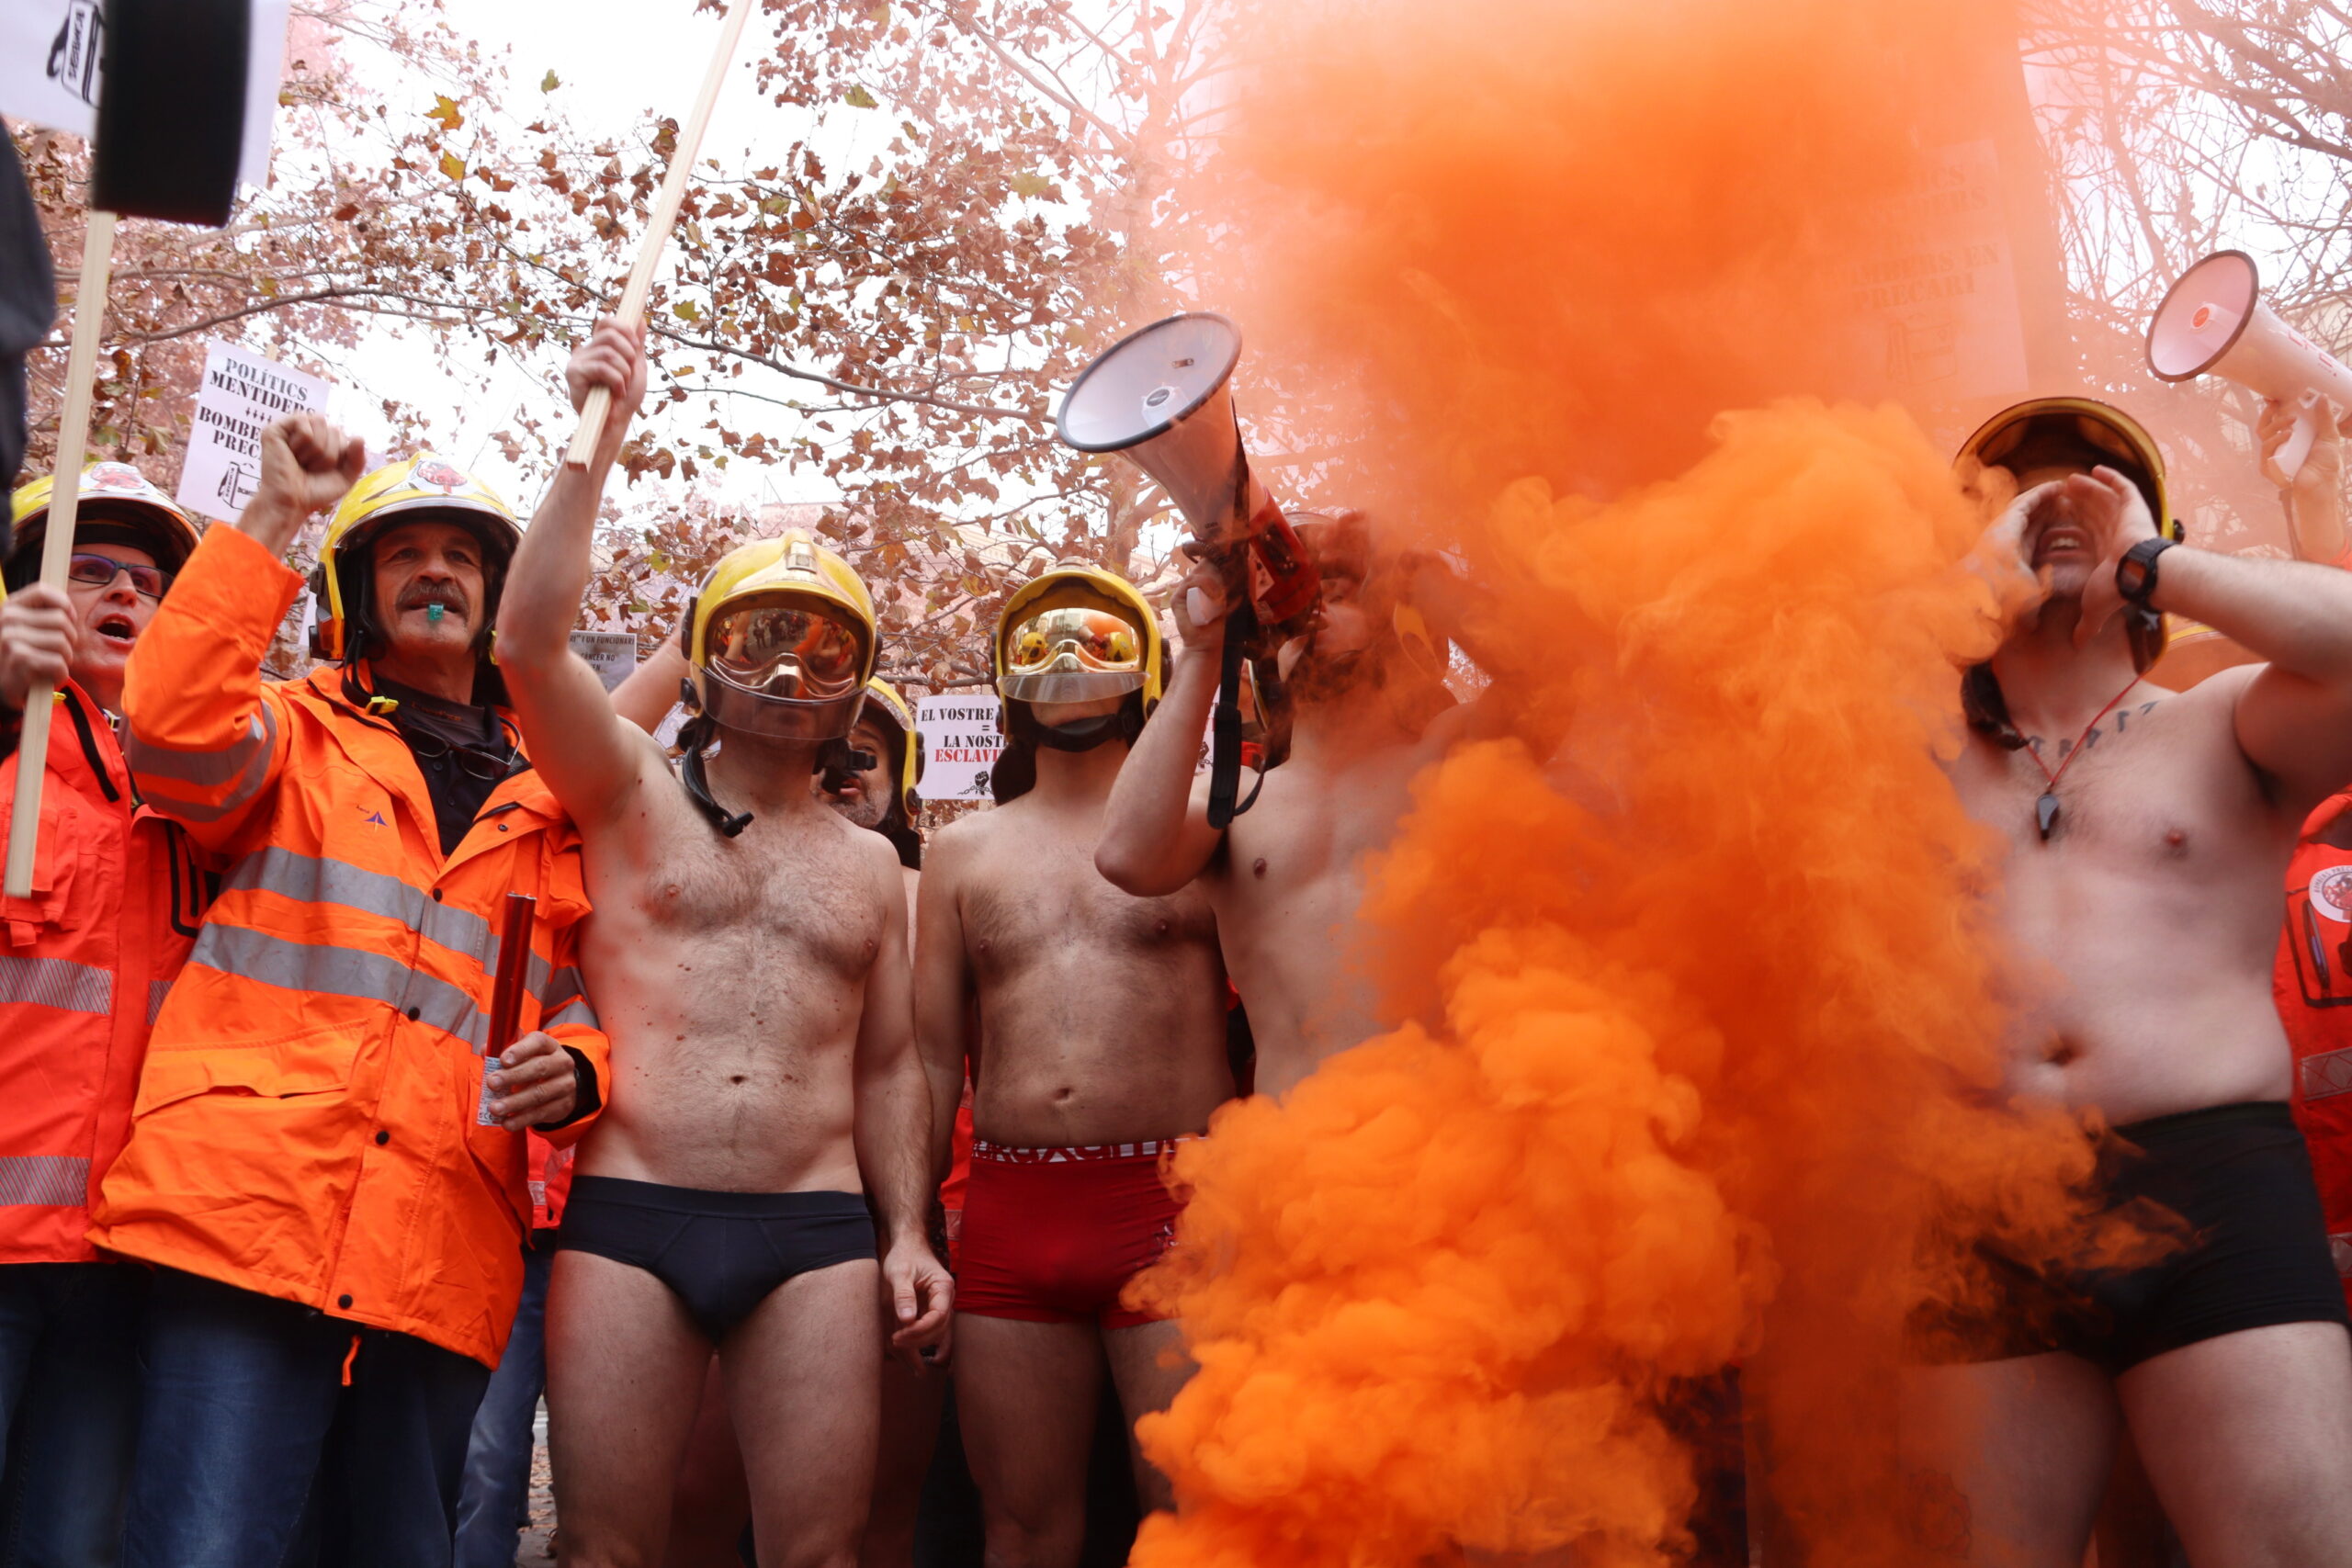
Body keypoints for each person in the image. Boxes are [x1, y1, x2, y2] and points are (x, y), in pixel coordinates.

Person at [89, 419, 612, 1568]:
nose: (435, 572)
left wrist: (578, 1071)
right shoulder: (293, 730)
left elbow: (572, 999)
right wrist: (273, 513)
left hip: (436, 1253)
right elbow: (168, 734)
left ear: (495, 597)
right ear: (359, 594)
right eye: (403, 554)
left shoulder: (551, 799)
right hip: (245, 1226)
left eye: (462, 557)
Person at [495, 319, 949, 1568]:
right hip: (631, 1210)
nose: (790, 666)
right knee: (604, 1549)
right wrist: (594, 441)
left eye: (823, 643)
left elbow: (890, 1065)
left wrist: (909, 1232)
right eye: (759, 635)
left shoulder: (874, 865)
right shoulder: (625, 790)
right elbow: (526, 644)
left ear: (859, 677)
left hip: (814, 1229)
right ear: (704, 653)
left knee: (819, 1553)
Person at [1906, 396, 2352, 1566]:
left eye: (2094, 487)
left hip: (2212, 1181)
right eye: (2016, 492)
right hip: (1982, 1200)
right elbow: (1754, 717)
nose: (2056, 502)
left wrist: (2157, 564)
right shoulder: (1903, 748)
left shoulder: (2222, 720)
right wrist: (1963, 588)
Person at [915, 561, 1232, 1566]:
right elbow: (930, 1057)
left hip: (1178, 1203)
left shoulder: (1205, 829)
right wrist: (912, 1228)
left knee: (1196, 1518)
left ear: (1142, 665)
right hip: (1012, 1212)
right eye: (1040, 639)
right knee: (1019, 1530)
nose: (1066, 657)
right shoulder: (960, 852)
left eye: (1097, 638)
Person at [1094, 511, 1532, 1096]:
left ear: (1392, 622)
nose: (1313, 615)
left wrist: (1413, 569)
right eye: (1292, 615)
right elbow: (1126, 857)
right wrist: (1202, 652)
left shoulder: (1449, 758)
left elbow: (1555, 677)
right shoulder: (1236, 802)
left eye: (1337, 595)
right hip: (1291, 1147)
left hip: (1446, 1142)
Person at [0, 464, 201, 1568]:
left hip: (121, 1262)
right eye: (91, 569)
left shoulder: (204, 794)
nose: (127, 591)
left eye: (150, 582)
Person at [450, 1131, 575, 1568]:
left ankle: (577, 1533)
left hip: (599, 1243)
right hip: (504, 1238)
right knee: (490, 1442)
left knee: (597, 1440)